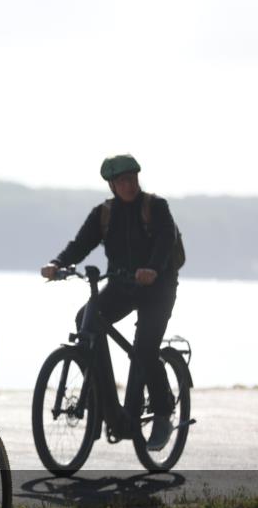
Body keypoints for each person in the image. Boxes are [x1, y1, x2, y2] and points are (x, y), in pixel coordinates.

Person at [40, 154, 179, 450]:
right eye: (122, 181)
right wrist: (57, 263)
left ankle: (163, 413)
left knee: (144, 349)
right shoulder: (104, 214)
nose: (129, 185)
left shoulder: (155, 207)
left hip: (158, 289)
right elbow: (80, 244)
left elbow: (166, 240)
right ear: (112, 185)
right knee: (86, 320)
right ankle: (105, 402)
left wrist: (153, 268)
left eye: (133, 178)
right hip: (121, 286)